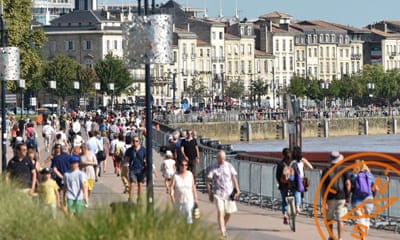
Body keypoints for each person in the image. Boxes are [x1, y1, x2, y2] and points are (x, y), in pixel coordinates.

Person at [206, 150, 240, 239]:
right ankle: (223, 232)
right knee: (220, 212)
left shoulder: (229, 166)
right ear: (217, 158)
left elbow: (234, 177)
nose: (222, 160)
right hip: (218, 193)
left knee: (229, 212)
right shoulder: (213, 167)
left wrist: (237, 189)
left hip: (229, 193)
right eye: (220, 158)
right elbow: (208, 181)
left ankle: (222, 226)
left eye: (223, 158)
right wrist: (209, 193)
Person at [321, 151, 351, 240]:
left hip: (329, 198)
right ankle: (340, 238)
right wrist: (347, 197)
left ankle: (331, 236)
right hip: (341, 197)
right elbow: (348, 184)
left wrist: (324, 200)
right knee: (340, 219)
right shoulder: (344, 170)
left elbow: (323, 187)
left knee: (329, 219)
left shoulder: (326, 171)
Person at [350, 160, 376, 240]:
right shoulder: (370, 175)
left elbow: (349, 186)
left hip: (357, 199)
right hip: (369, 199)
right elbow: (376, 188)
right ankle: (364, 238)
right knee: (366, 220)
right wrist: (373, 197)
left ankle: (363, 238)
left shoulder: (353, 176)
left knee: (359, 220)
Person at [170, 159, 198, 224]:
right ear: (179, 165)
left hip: (189, 199)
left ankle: (188, 231)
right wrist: (172, 197)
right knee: (179, 218)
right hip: (179, 200)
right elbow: (172, 187)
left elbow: (193, 186)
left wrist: (195, 198)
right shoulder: (175, 175)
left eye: (186, 165)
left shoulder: (190, 174)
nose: (184, 166)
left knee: (188, 214)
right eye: (182, 165)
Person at [290, 146, 313, 214]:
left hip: (293, 178)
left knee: (296, 192)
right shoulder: (302, 160)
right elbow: (311, 167)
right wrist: (304, 166)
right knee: (299, 192)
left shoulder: (292, 161)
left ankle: (296, 207)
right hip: (301, 178)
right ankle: (297, 207)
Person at [125, 135, 146, 203]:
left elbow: (146, 159)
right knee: (132, 184)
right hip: (132, 169)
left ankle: (139, 200)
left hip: (141, 170)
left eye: (136, 141)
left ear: (139, 142)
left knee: (140, 185)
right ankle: (130, 199)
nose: (135, 142)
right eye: (133, 141)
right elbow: (126, 159)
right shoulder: (129, 150)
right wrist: (123, 166)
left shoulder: (143, 150)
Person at [276, 148, 293, 225]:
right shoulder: (292, 163)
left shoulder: (280, 163)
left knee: (284, 200)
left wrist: (280, 183)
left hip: (283, 185)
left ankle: (285, 214)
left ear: (282, 155)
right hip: (292, 185)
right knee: (293, 198)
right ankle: (294, 210)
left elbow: (277, 176)